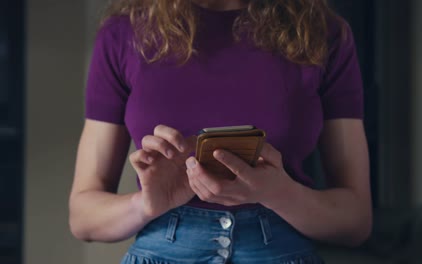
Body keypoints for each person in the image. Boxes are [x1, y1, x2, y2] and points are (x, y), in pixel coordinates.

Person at [69, 0, 372, 263]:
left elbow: (356, 221)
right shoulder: (123, 34)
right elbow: (83, 218)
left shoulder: (324, 33)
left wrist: (281, 194)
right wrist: (144, 205)